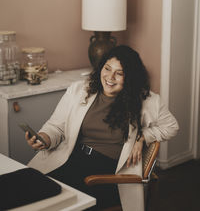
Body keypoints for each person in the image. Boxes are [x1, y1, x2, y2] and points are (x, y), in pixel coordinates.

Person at [26, 45, 179, 211]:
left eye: (119, 73)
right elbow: (56, 126)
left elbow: (171, 126)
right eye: (107, 68)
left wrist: (143, 137)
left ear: (130, 78)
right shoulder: (79, 90)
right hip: (71, 157)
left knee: (59, 202)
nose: (110, 77)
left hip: (107, 173)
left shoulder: (147, 101)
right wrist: (44, 138)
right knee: (31, 191)